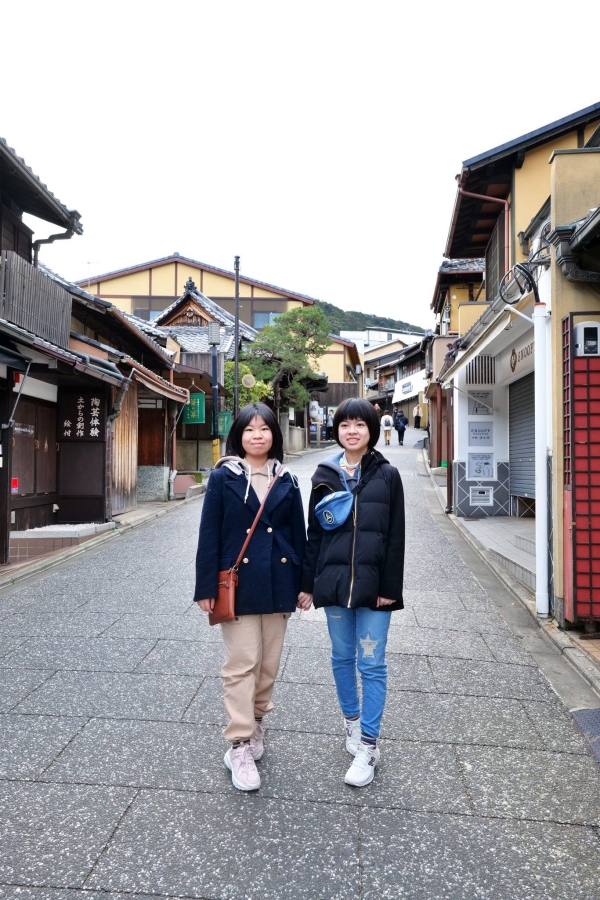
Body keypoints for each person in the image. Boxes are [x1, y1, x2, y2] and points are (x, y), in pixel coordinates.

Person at [194, 402, 306, 792]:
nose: (257, 436)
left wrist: (305, 583)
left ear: (274, 435)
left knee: (268, 664)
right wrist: (205, 586)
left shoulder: (287, 479)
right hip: (238, 585)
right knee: (242, 663)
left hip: (279, 582)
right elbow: (209, 534)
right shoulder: (224, 477)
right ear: (238, 436)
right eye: (249, 430)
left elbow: (299, 535)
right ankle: (239, 743)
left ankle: (257, 723)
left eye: (264, 429)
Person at [298, 398, 405, 787]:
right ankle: (352, 723)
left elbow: (396, 537)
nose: (352, 431)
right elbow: (314, 535)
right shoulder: (323, 475)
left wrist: (389, 589)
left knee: (372, 663)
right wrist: (307, 584)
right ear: (337, 430)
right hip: (334, 584)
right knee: (342, 656)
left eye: (360, 424)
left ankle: (370, 746)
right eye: (345, 424)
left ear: (371, 430)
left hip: (376, 587)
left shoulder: (387, 475)